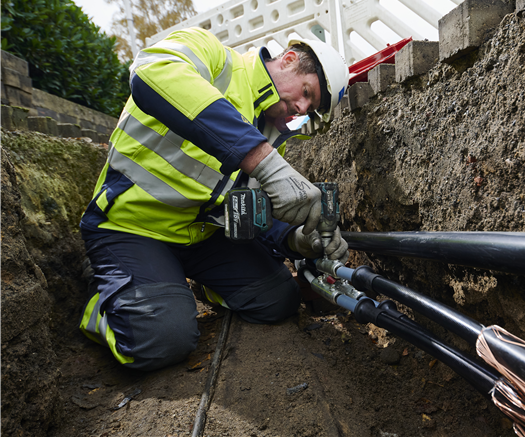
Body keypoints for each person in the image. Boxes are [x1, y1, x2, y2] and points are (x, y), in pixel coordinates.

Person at [78, 27, 350, 371]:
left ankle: (201, 287)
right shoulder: (213, 56)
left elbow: (248, 213)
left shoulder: (268, 132)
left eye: (310, 108)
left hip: (197, 236)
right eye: (307, 92)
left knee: (278, 299)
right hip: (130, 228)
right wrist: (262, 159)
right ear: (290, 59)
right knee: (162, 339)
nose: (301, 107)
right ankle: (104, 299)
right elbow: (151, 72)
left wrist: (296, 240)